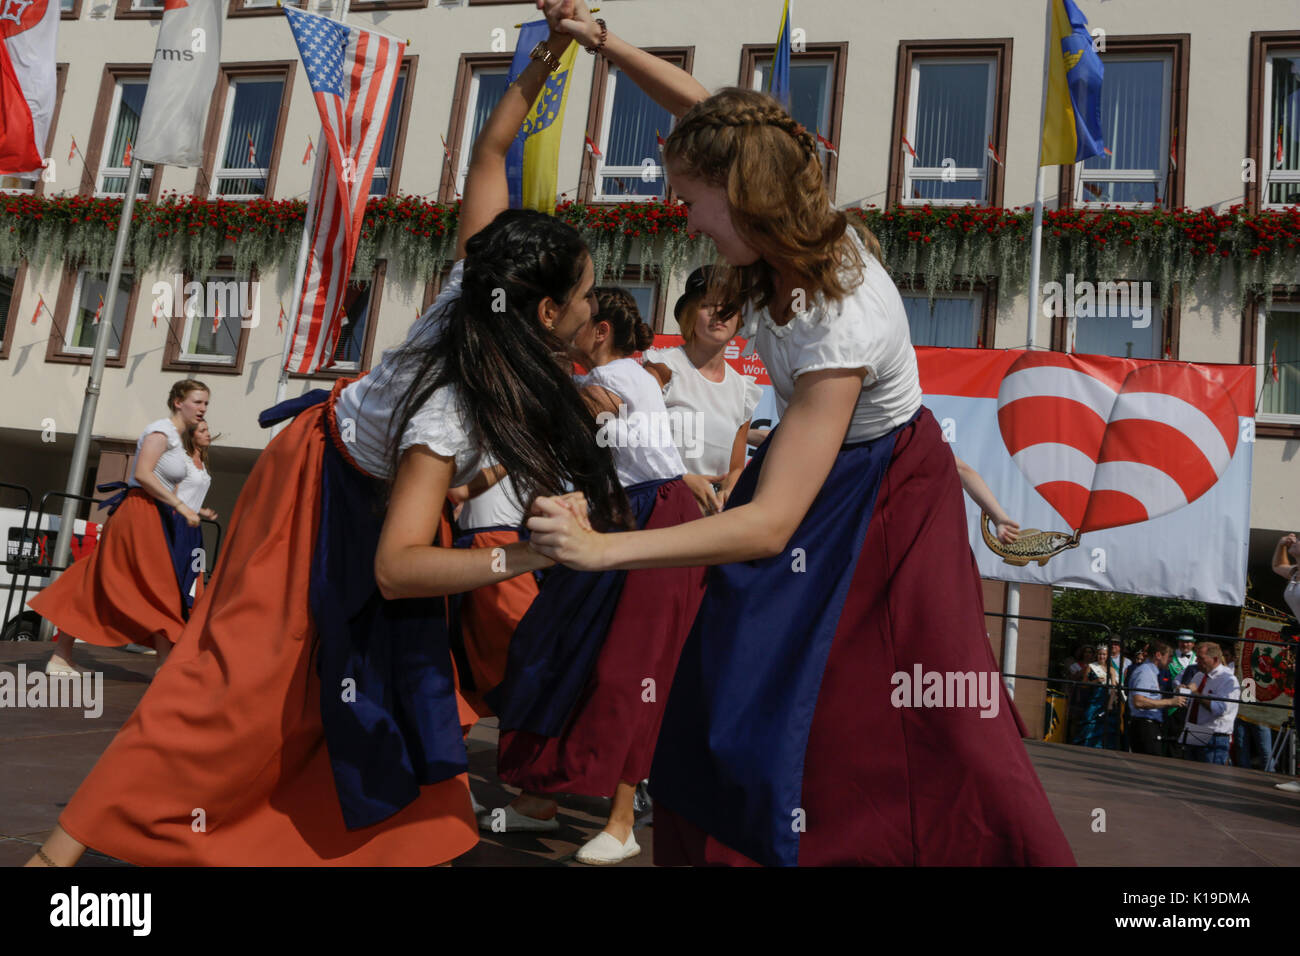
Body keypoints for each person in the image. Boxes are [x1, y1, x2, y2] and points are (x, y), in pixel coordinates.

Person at [25, 16, 622, 867]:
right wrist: (530, 557)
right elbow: (396, 566)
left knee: (369, 688)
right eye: (588, 300)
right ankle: (58, 856)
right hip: (313, 484)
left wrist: (553, 52)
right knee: (235, 677)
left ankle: (373, 841)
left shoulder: (477, 288)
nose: (594, 315)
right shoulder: (457, 396)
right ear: (545, 314)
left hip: (355, 477)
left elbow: (492, 153)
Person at [523, 0, 1074, 868]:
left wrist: (596, 551)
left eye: (692, 202)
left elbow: (772, 524)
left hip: (886, 496)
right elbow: (706, 113)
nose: (686, 219)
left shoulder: (835, 315)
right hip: (818, 470)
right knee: (728, 695)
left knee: (939, 724)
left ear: (742, 198)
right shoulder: (771, 199)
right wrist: (602, 43)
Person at [487, 287, 706, 865]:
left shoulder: (620, 377)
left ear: (601, 330)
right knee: (549, 643)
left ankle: (621, 819)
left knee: (630, 668)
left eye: (578, 319)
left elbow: (584, 415)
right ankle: (540, 798)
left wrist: (522, 368)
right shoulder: (625, 378)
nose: (569, 327)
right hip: (618, 514)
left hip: (653, 516)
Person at [31, 380, 210, 676]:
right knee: (157, 585)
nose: (203, 409)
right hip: (138, 513)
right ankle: (164, 668)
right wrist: (179, 507)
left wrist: (191, 508)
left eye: (206, 403)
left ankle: (64, 656)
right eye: (198, 402)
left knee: (122, 584)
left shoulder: (177, 440)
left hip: (157, 515)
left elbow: (168, 485)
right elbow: (141, 474)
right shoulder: (160, 431)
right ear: (179, 402)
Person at [641, 265, 762, 515]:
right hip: (659, 509)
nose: (719, 314)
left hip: (709, 520)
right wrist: (681, 480)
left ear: (739, 317)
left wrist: (730, 487)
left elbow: (736, 467)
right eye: (708, 305)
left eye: (728, 307)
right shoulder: (662, 368)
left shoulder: (743, 389)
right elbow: (635, 447)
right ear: (689, 315)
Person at [1177, 642, 1240, 765]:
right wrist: (1182, 693)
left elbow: (1220, 709)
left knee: (1211, 777)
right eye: (1197, 657)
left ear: (1215, 659)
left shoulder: (1228, 680)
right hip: (1193, 732)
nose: (1197, 661)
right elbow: (1191, 702)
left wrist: (1196, 693)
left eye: (1201, 658)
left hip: (1214, 737)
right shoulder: (1199, 676)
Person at [1126, 639, 1184, 757]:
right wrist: (1170, 702)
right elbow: (1139, 701)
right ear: (1158, 655)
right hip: (1145, 726)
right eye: (1169, 656)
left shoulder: (1150, 671)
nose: (1171, 660)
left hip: (1147, 726)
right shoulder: (1145, 672)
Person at [1074, 643, 1119, 749]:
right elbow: (1084, 685)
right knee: (1090, 723)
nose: (1101, 656)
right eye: (1100, 654)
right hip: (1094, 700)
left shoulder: (1111, 670)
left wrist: (1110, 704)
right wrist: (1095, 681)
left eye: (1104, 654)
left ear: (1107, 656)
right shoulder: (1091, 667)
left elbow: (1113, 689)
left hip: (1106, 701)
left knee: (1106, 727)